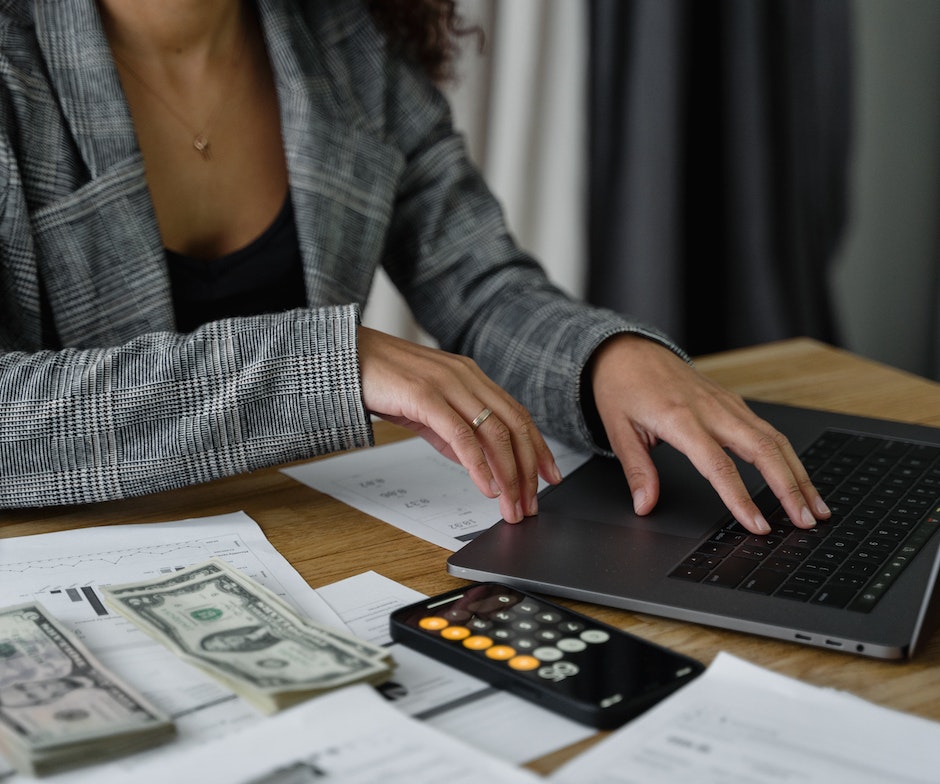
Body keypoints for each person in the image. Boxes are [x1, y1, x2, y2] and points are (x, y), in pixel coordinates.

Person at [0, 0, 830, 536]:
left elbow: (481, 285)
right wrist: (330, 364)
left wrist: (606, 360)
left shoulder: (349, 41)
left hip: (307, 539)